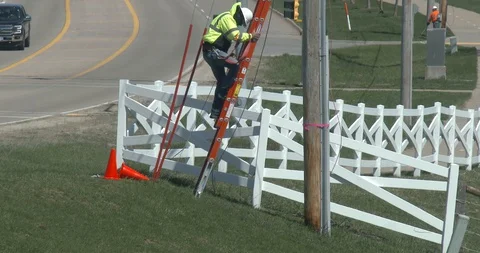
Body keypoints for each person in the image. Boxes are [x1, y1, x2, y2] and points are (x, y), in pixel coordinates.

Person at [202, 2, 261, 121]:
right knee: (235, 66)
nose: (240, 24)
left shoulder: (227, 18)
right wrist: (250, 36)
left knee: (221, 80)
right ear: (239, 15)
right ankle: (225, 91)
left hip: (211, 52)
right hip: (214, 52)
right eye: (241, 21)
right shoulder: (227, 18)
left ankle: (216, 111)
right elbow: (235, 35)